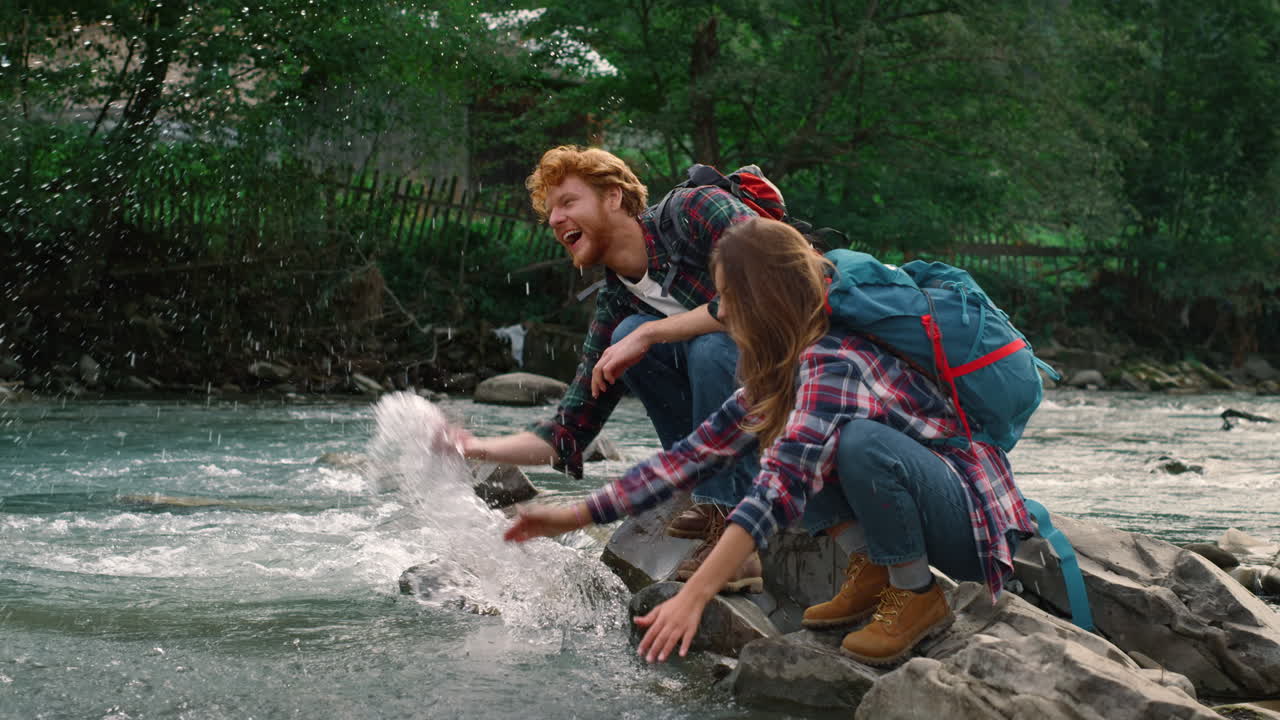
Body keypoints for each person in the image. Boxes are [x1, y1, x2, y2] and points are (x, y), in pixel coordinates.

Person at [500, 217, 1036, 667]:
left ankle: (917, 595)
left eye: (730, 297)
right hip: (926, 499)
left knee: (857, 445)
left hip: (967, 516)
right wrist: (574, 515)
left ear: (765, 298)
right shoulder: (784, 369)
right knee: (791, 437)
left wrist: (695, 593)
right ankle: (874, 567)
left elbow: (775, 492)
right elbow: (693, 455)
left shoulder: (832, 363)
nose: (722, 312)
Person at [456, 146, 763, 586]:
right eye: (550, 213)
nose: (555, 220)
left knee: (706, 345)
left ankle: (733, 530)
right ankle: (708, 503)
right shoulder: (617, 302)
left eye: (568, 203)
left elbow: (761, 285)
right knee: (624, 337)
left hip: (809, 384)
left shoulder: (696, 208)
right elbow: (569, 432)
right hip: (736, 423)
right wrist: (474, 447)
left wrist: (651, 334)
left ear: (614, 198)